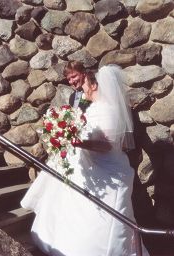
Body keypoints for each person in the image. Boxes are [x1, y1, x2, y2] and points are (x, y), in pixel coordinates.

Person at [21, 65, 150, 256]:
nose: (82, 89)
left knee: (104, 215)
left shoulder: (109, 110)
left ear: (95, 86)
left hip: (106, 168)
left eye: (86, 85)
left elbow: (106, 145)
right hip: (91, 164)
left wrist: (75, 141)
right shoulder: (97, 107)